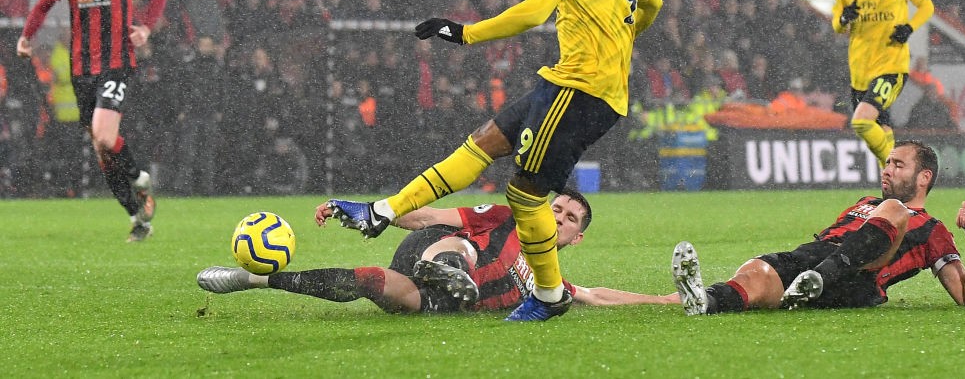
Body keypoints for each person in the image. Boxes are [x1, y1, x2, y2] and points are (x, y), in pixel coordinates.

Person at [330, 0, 663, 321]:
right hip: (573, 84)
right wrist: (621, 36)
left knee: (525, 196)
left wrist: (465, 32)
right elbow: (652, 3)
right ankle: (381, 211)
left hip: (580, 91)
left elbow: (531, 13)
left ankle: (548, 296)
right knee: (482, 143)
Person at [196, 190, 678, 313]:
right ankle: (446, 266)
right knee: (460, 242)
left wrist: (665, 301)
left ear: (577, 237)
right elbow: (431, 218)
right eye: (557, 208)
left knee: (372, 282)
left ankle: (253, 279)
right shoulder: (508, 216)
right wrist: (375, 211)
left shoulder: (550, 284)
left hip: (435, 302)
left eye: (569, 218)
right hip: (427, 251)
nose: (557, 217)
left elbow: (598, 295)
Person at [671, 140, 965, 315]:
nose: (887, 170)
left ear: (924, 178)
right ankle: (706, 302)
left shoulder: (932, 228)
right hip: (817, 257)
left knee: (893, 209)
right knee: (757, 273)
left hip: (861, 277)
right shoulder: (864, 201)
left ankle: (819, 279)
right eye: (887, 163)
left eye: (898, 165)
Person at [16, 0, 166, 241]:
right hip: (81, 68)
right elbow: (43, 4)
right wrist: (26, 36)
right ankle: (137, 216)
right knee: (102, 149)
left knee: (103, 136)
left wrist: (145, 28)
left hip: (117, 62)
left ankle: (140, 177)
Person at [833, 0, 934, 167]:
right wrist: (845, 17)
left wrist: (909, 27)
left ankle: (899, 170)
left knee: (861, 121)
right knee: (882, 130)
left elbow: (926, 5)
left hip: (891, 65)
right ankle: (895, 191)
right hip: (860, 70)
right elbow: (837, 24)